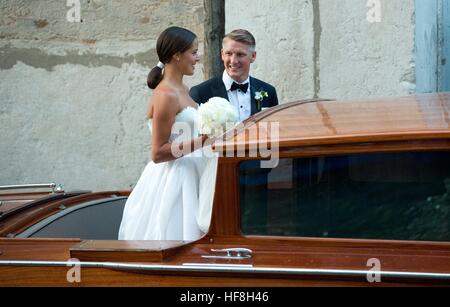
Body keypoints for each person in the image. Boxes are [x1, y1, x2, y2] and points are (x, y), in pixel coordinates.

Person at [118, 27, 218, 241]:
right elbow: (158, 153)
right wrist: (204, 140)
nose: (197, 58)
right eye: (193, 52)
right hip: (176, 180)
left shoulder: (183, 88)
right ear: (176, 55)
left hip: (196, 171)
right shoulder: (165, 94)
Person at [190, 29, 278, 122]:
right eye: (229, 53)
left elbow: (275, 131)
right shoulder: (200, 93)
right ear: (222, 54)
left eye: (240, 54)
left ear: (253, 56)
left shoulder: (269, 92)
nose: (233, 61)